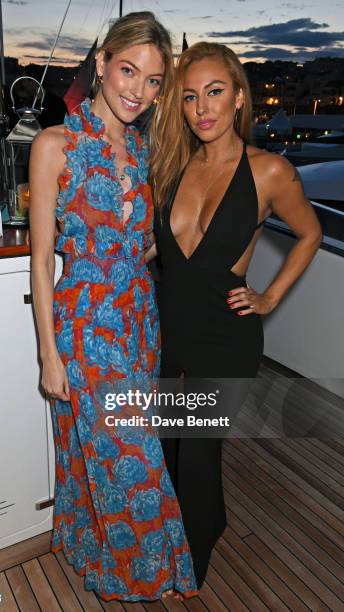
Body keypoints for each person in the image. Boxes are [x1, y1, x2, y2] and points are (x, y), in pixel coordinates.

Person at [28, 12, 198, 602]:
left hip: (137, 319)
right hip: (85, 327)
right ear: (100, 64)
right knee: (135, 460)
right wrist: (49, 355)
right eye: (128, 71)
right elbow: (43, 260)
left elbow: (143, 239)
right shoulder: (55, 145)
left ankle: (90, 550)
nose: (138, 90)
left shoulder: (149, 148)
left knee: (95, 451)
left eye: (153, 81)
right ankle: (146, 572)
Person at [150, 42, 322, 589]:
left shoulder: (270, 171)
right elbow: (157, 250)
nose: (203, 108)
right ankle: (206, 522)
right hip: (168, 329)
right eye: (191, 96)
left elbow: (311, 234)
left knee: (197, 452)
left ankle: (190, 562)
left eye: (215, 92)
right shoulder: (172, 166)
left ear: (239, 98)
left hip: (227, 335)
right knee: (170, 445)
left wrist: (270, 298)